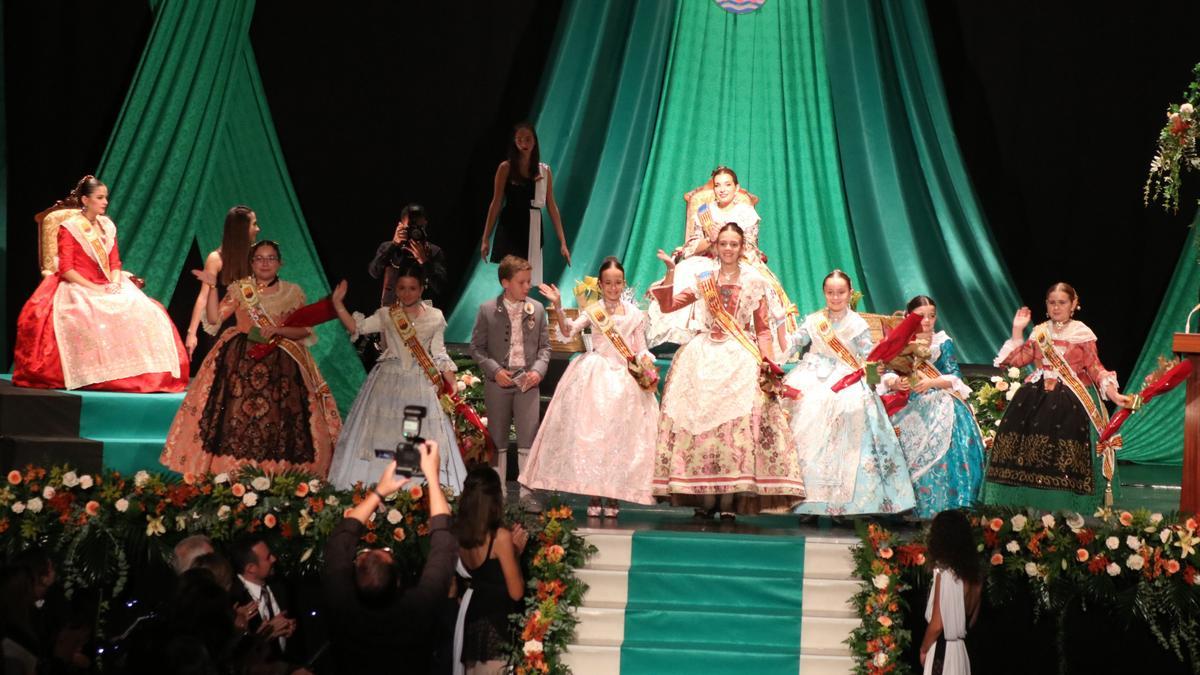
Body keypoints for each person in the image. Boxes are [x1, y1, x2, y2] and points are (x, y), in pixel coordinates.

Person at [650, 224, 805, 518]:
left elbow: (762, 331)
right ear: (716, 247)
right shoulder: (704, 279)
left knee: (735, 431)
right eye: (724, 244)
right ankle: (705, 496)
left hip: (739, 357)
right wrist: (671, 271)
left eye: (734, 244)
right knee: (700, 428)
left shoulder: (754, 281)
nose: (729, 249)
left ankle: (729, 499)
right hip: (703, 355)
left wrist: (768, 364)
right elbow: (669, 305)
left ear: (742, 246)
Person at [160, 240, 342, 477]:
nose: (265, 263)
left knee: (280, 419)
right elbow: (214, 319)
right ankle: (229, 474)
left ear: (280, 263)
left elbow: (304, 331)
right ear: (251, 263)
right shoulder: (240, 289)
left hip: (282, 363)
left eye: (270, 258)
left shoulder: (293, 292)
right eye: (259, 258)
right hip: (239, 362)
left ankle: (277, 475)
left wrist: (278, 331)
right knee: (234, 418)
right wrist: (213, 287)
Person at [12, 175, 188, 392]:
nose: (105, 202)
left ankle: (142, 373)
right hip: (77, 284)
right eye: (100, 197)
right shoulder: (70, 227)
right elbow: (67, 269)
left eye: (106, 197)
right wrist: (94, 289)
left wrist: (114, 283)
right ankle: (96, 375)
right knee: (85, 311)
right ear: (86, 200)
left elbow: (115, 261)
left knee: (147, 310)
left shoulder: (107, 225)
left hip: (108, 282)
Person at [520, 257, 659, 517]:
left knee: (620, 439)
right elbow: (568, 330)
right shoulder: (594, 310)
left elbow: (640, 348)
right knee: (596, 437)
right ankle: (596, 493)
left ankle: (614, 496)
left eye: (618, 283)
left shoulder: (634, 313)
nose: (613, 288)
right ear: (601, 284)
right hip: (596, 375)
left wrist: (647, 367)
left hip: (626, 378)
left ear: (623, 283)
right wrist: (559, 307)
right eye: (608, 283)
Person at [981, 282, 1133, 513]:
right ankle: (1021, 505)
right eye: (1052, 302)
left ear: (1074, 304)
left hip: (1073, 399)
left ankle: (1067, 506)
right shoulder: (1040, 331)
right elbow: (1014, 361)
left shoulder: (1081, 333)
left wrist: (1115, 394)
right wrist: (1017, 330)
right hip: (1034, 397)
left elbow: (1094, 367)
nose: (1056, 307)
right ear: (1046, 305)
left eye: (1062, 302)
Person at [327, 262, 468, 491]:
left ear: (422, 288)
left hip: (422, 383)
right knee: (385, 437)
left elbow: (439, 354)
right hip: (388, 383)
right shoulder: (387, 314)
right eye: (401, 288)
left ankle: (417, 490)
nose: (406, 293)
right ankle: (381, 488)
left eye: (412, 288)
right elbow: (357, 327)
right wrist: (337, 304)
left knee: (420, 437)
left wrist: (452, 384)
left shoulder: (435, 316)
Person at [785, 270, 916, 517]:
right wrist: (779, 325)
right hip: (813, 377)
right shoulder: (814, 321)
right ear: (824, 293)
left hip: (848, 380)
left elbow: (872, 360)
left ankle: (848, 504)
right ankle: (806, 504)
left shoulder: (857, 324)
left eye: (841, 292)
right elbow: (792, 343)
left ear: (849, 293)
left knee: (853, 420)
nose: (835, 297)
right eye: (830, 293)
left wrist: (878, 385)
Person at [321, 443, 456, 673]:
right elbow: (443, 544)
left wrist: (378, 492)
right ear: (398, 582)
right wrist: (432, 478)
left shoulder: (342, 603)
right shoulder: (418, 606)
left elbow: (340, 539)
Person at [646, 166, 794, 351]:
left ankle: (753, 339)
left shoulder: (745, 211)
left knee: (756, 281)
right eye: (717, 185)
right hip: (707, 257)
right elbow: (692, 245)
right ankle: (680, 338)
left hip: (739, 258)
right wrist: (710, 239)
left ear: (736, 188)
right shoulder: (704, 211)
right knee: (687, 271)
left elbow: (750, 245)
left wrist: (728, 240)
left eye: (727, 184)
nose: (722, 189)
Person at [880, 296, 986, 519]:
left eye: (932, 315)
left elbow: (954, 375)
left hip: (939, 396)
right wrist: (895, 382)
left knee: (953, 421)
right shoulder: (900, 341)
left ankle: (949, 505)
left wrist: (930, 383)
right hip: (908, 400)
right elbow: (888, 372)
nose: (927, 321)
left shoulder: (942, 341)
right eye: (921, 316)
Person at [469, 255, 551, 502]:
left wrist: (537, 371)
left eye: (529, 282)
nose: (528, 287)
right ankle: (498, 493)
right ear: (506, 283)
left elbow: (545, 348)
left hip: (527, 382)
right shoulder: (487, 310)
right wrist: (495, 371)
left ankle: (527, 493)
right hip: (499, 382)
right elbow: (476, 348)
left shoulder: (536, 308)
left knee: (528, 436)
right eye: (522, 282)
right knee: (498, 439)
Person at [453, 466, 528, 675]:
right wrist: (515, 552)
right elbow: (516, 592)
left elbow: (486, 574)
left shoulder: (460, 531)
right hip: (497, 626)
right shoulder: (500, 537)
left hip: (474, 621)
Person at [479, 122, 571, 285]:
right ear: (514, 142)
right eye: (519, 139)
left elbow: (552, 206)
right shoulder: (505, 168)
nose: (524, 144)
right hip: (510, 227)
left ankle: (525, 309)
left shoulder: (544, 170)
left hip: (532, 227)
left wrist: (562, 241)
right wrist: (485, 238)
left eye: (528, 139)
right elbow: (496, 203)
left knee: (527, 279)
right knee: (511, 277)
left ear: (534, 141)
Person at [184, 205, 259, 366]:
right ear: (241, 229)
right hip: (221, 330)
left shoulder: (255, 257)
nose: (258, 229)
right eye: (254, 224)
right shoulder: (216, 258)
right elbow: (203, 296)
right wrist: (192, 333)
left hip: (248, 328)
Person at [919, 510, 982, 674]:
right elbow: (971, 619)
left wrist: (924, 648)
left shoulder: (946, 573)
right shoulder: (975, 574)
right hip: (960, 653)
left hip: (942, 652)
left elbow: (937, 624)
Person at [230, 537, 298, 664]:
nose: (274, 559)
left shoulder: (280, 584)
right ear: (251, 568)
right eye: (268, 557)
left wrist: (289, 627)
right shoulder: (234, 601)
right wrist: (265, 636)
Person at [369, 204, 449, 307]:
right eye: (410, 228)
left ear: (425, 224)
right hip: (391, 313)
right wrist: (393, 245)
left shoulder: (434, 251)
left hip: (421, 315)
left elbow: (441, 288)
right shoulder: (388, 248)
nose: (415, 232)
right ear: (400, 226)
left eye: (419, 227)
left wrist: (424, 261)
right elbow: (374, 272)